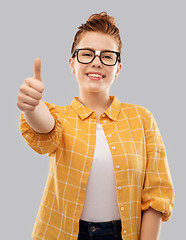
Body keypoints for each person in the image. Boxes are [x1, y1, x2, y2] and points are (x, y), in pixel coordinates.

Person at [17, 12, 175, 240]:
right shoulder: (60, 116)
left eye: (107, 56)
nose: (97, 61)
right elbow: (45, 129)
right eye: (87, 54)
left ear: (118, 68)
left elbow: (156, 192)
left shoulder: (142, 118)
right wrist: (32, 106)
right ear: (72, 64)